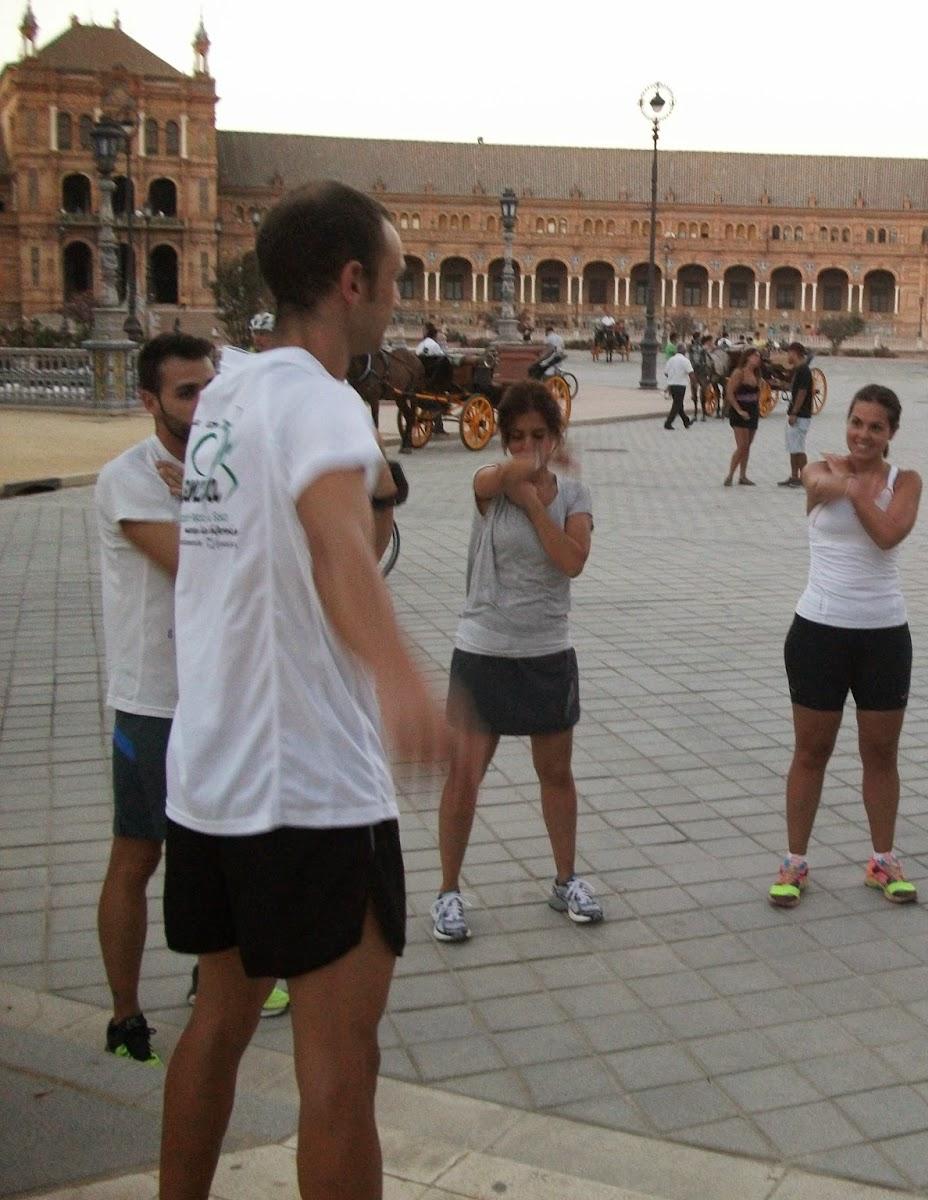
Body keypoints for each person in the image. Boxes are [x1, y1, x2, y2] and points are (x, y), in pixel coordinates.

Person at [159, 180, 449, 1200]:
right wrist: (406, 679)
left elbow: (302, 545)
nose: (398, 301)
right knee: (339, 1074)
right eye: (395, 279)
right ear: (351, 281)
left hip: (212, 777)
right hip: (309, 790)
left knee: (217, 1027)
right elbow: (339, 552)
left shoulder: (228, 392)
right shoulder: (321, 399)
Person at [93, 334, 237, 1065]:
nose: (204, 403)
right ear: (149, 400)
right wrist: (221, 507)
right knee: (138, 854)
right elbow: (199, 568)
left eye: (210, 386)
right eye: (187, 392)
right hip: (155, 701)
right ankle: (124, 1013)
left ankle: (214, 984)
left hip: (220, 696)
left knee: (216, 857)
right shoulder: (131, 479)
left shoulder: (219, 471)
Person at [431, 383, 599, 940]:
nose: (528, 447)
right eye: (517, 438)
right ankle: (448, 892)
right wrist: (520, 483)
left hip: (546, 649)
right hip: (484, 648)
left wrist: (534, 500)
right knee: (464, 777)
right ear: (504, 440)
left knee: (555, 773)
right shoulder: (490, 487)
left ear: (555, 437)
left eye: (539, 436)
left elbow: (570, 561)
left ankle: (566, 879)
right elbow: (491, 478)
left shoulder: (574, 497)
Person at [771, 385, 922, 909]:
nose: (862, 434)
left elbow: (888, 534)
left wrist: (854, 488)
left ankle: (883, 859)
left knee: (880, 753)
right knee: (812, 751)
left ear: (891, 434)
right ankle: (794, 861)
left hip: (884, 634)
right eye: (856, 423)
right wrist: (844, 482)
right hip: (819, 630)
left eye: (875, 427)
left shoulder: (907, 481)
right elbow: (816, 483)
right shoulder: (817, 470)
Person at [723, 347, 762, 486]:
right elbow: (729, 392)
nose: (757, 359)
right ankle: (730, 475)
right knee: (742, 445)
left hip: (753, 411)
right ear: (747, 357)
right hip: (740, 411)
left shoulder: (757, 374)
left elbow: (758, 392)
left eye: (758, 356)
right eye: (755, 356)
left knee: (748, 445)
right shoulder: (739, 373)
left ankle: (743, 475)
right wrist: (739, 410)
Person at [779, 341, 815, 487]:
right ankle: (794, 476)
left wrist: (794, 412)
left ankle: (804, 477)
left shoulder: (804, 371)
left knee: (798, 448)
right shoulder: (798, 369)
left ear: (794, 353)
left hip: (801, 415)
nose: (788, 356)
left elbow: (802, 392)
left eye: (789, 353)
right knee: (793, 448)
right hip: (796, 414)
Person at [661, 342, 694, 429]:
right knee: (677, 405)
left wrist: (672, 377)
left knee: (679, 405)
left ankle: (686, 421)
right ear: (684, 351)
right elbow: (691, 373)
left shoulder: (671, 359)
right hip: (681, 385)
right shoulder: (685, 361)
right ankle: (668, 423)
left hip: (672, 385)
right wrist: (694, 383)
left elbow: (666, 373)